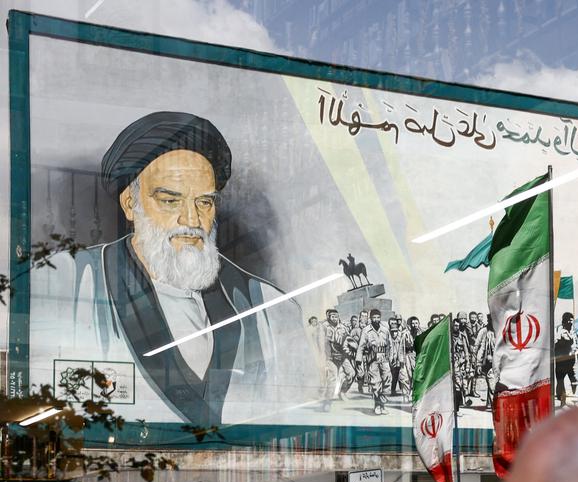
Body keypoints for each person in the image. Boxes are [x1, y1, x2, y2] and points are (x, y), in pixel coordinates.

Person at [28, 111, 320, 425]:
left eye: (204, 202)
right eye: (170, 201)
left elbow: (300, 413)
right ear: (130, 204)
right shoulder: (65, 282)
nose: (192, 220)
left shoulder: (270, 308)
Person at [358, 309, 393, 415]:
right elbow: (361, 346)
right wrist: (359, 359)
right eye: (374, 317)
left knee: (387, 380)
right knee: (375, 383)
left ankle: (382, 402)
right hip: (372, 359)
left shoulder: (385, 330)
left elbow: (390, 345)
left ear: (380, 318)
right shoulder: (366, 330)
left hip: (384, 358)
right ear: (370, 318)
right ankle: (378, 406)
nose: (376, 319)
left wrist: (391, 357)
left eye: (378, 317)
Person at [553, 312, 578, 405]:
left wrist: (577, 347)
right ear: (565, 321)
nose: (571, 323)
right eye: (569, 321)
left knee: (573, 380)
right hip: (562, 361)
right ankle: (562, 400)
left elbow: (574, 344)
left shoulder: (573, 332)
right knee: (561, 381)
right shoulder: (560, 331)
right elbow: (566, 341)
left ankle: (572, 398)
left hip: (570, 361)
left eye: (572, 321)